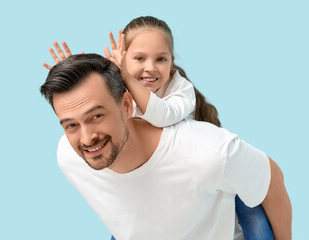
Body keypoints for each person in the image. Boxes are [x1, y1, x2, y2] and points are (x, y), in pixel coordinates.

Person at [42, 16, 275, 240]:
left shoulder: (181, 90)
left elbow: (163, 116)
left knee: (252, 216)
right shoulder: (116, 91)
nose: (150, 68)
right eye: (139, 59)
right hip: (151, 188)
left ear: (172, 62)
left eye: (161, 59)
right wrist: (75, 73)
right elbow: (89, 94)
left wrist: (126, 77)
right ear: (123, 59)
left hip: (207, 177)